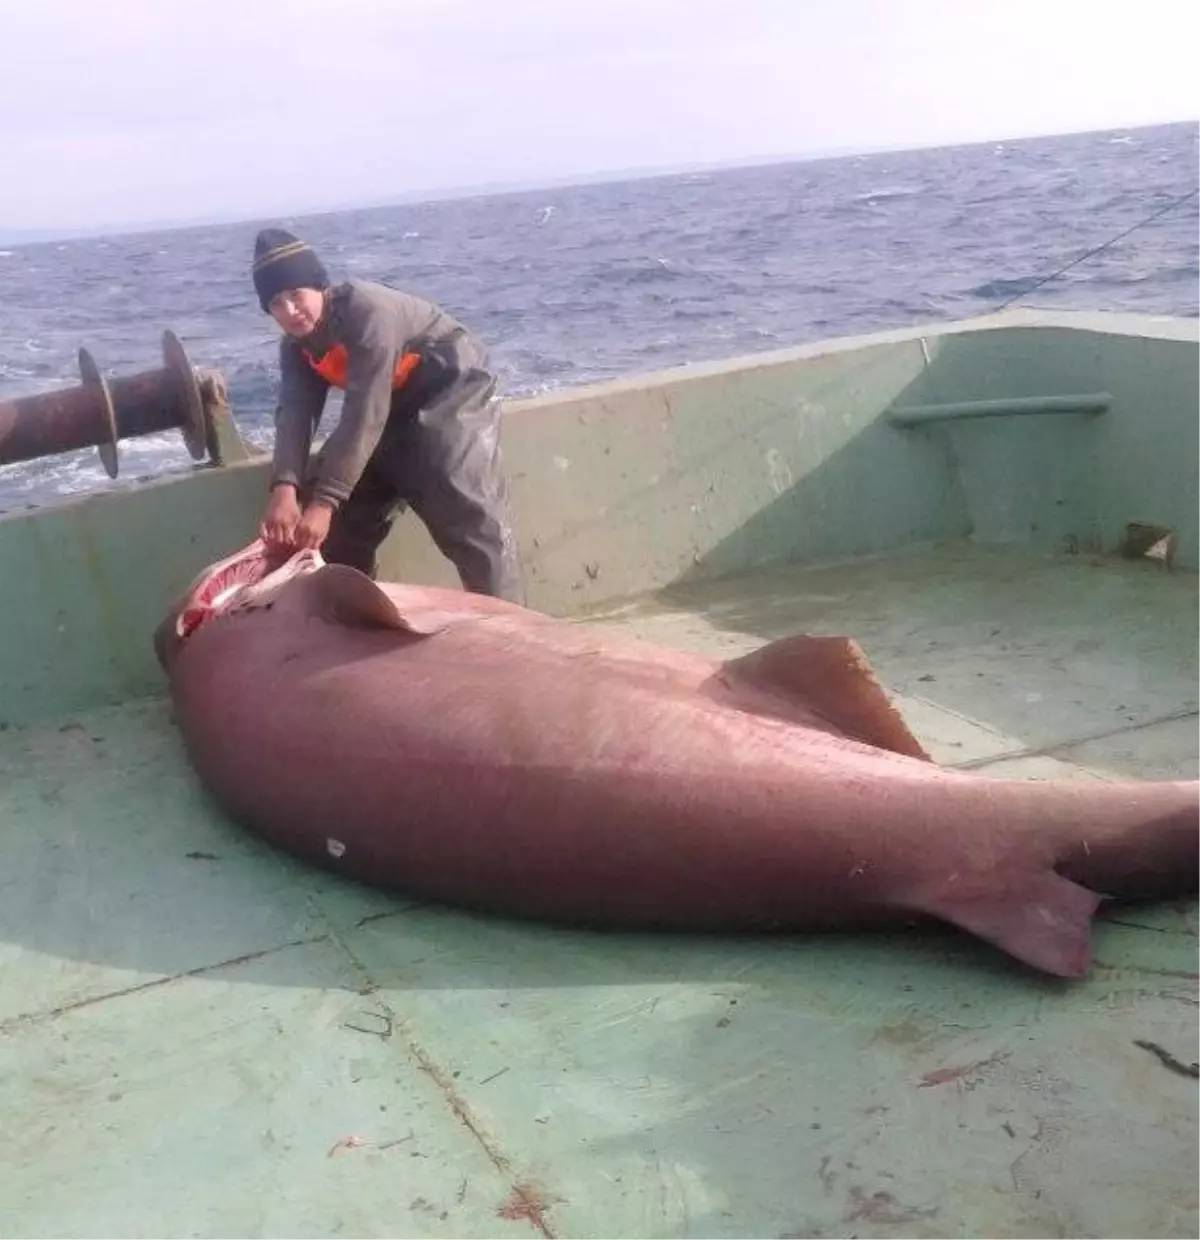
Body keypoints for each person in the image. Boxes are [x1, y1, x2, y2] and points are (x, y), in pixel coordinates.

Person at [251, 227, 523, 602]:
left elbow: (364, 410)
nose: (290, 311)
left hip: (451, 389)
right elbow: (295, 414)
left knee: (464, 506)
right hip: (390, 404)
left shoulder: (367, 312)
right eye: (276, 304)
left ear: (320, 287)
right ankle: (358, 617)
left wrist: (323, 504)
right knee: (340, 519)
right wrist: (284, 488)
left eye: (296, 295)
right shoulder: (296, 347)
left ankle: (510, 628)